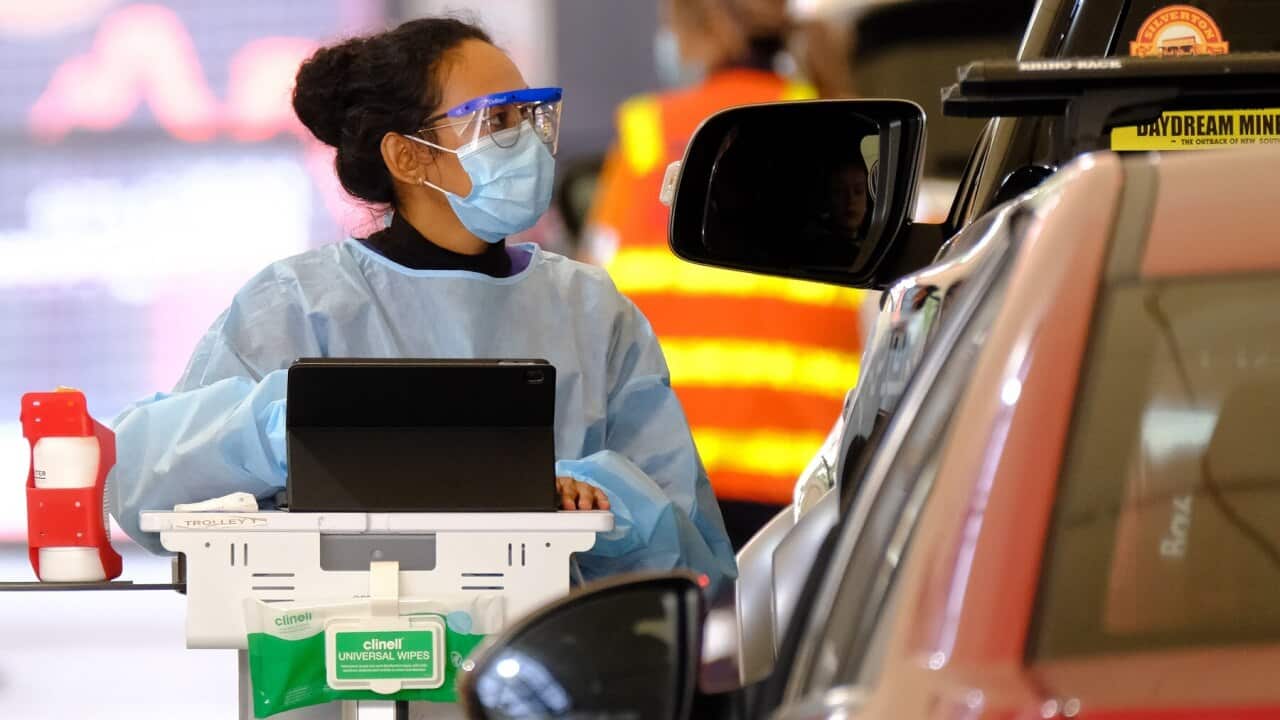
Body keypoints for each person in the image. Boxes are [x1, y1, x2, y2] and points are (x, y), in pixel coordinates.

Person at [107, 17, 736, 592]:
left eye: (531, 116)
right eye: (496, 122)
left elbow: (694, 554)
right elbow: (142, 486)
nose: (527, 142)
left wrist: (595, 501)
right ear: (407, 155)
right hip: (337, 663)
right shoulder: (299, 305)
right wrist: (283, 427)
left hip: (547, 661)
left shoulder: (591, 313)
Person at [582, 0, 868, 549]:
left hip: (672, 470)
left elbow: (592, 288)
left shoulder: (650, 132)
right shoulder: (833, 125)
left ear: (699, 27)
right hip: (805, 476)